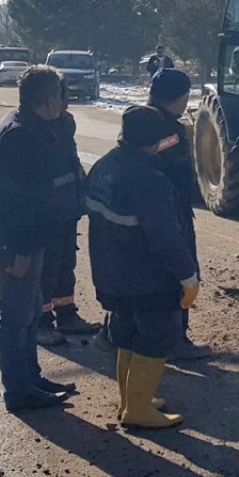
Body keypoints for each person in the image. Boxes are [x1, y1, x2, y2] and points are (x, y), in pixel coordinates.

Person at [0, 65, 77, 412]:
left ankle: (31, 378)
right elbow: (3, 203)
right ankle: (18, 391)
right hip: (18, 245)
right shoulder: (18, 137)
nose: (64, 103)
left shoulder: (31, 127)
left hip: (30, 239)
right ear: (48, 102)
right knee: (16, 319)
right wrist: (11, 251)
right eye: (60, 97)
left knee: (29, 314)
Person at [86, 106, 200, 429]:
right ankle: (137, 411)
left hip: (111, 275)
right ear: (154, 142)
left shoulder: (105, 165)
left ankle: (131, 400)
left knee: (126, 335)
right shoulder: (150, 181)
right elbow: (165, 239)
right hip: (147, 280)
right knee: (157, 337)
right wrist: (188, 276)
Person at [148, 68, 212, 360]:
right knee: (181, 274)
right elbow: (175, 167)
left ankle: (151, 339)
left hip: (160, 210)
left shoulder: (145, 120)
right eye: (185, 97)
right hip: (170, 212)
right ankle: (176, 341)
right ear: (175, 99)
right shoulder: (166, 130)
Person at [36, 80, 102, 347]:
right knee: (46, 269)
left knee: (65, 265)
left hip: (66, 210)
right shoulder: (33, 130)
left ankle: (66, 315)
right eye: (62, 96)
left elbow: (71, 163)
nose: (66, 102)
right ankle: (41, 323)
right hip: (47, 215)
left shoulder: (64, 124)